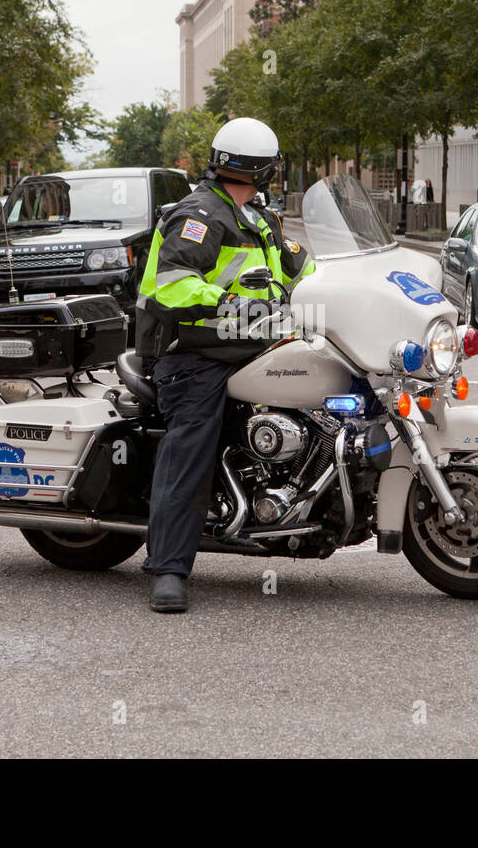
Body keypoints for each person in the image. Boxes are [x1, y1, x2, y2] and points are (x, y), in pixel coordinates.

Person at [135, 117, 315, 613]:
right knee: (192, 443)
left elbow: (301, 270)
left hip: (254, 347)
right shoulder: (200, 215)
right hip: (195, 355)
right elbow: (172, 285)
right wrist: (234, 306)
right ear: (268, 169)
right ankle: (168, 569)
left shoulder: (259, 217)